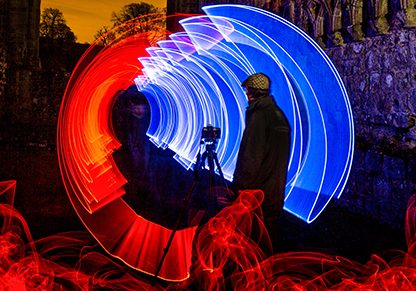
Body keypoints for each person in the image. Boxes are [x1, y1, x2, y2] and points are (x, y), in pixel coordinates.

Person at [232, 72, 291, 250]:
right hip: (275, 192)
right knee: (267, 243)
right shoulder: (279, 115)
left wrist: (238, 190)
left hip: (256, 196)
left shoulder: (259, 117)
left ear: (251, 93)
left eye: (246, 92)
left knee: (250, 246)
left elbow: (250, 157)